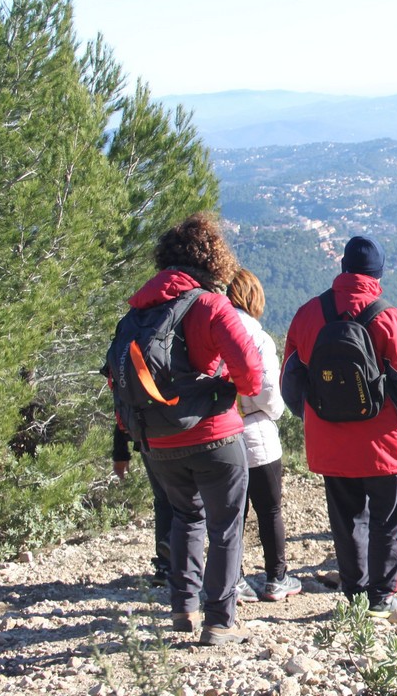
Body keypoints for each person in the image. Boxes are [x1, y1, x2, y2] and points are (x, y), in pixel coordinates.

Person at [126, 213, 263, 645]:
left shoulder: (138, 311)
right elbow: (252, 376)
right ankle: (219, 620)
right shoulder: (211, 305)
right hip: (214, 436)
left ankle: (183, 607)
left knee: (186, 517)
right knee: (226, 527)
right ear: (214, 259)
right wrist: (221, 384)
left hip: (157, 440)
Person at [284, 236, 397, 617]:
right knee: (388, 520)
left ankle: (355, 596)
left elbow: (290, 380)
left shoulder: (307, 314)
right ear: (378, 274)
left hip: (330, 443)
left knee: (346, 520)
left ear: (343, 267)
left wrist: (315, 421)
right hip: (385, 445)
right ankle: (381, 598)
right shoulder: (390, 318)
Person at [226, 268, 300, 602]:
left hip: (221, 433)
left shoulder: (211, 330)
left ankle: (234, 578)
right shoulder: (258, 338)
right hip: (256, 433)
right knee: (269, 509)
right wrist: (275, 411)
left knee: (231, 513)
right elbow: (269, 392)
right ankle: (276, 577)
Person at [111, 431, 173, 587]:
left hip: (150, 440)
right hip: (191, 440)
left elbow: (121, 416)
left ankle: (165, 567)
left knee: (164, 501)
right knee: (195, 503)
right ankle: (172, 549)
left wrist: (120, 452)